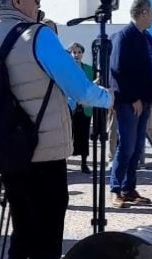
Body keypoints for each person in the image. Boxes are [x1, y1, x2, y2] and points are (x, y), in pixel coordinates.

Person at [0, 0, 113, 259]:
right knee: (45, 243)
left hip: (12, 151)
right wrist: (109, 97)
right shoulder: (38, 36)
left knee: (23, 237)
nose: (39, 2)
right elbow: (80, 88)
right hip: (43, 152)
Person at [108, 0, 152, 209]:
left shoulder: (146, 37)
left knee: (138, 147)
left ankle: (129, 188)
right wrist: (133, 98)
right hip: (128, 103)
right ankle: (115, 189)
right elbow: (118, 71)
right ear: (143, 12)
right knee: (127, 146)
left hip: (145, 102)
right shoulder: (124, 37)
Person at [67, 43, 94, 174]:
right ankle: (65, 162)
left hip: (85, 107)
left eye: (79, 52)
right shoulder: (66, 69)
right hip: (70, 106)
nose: (76, 55)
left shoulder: (89, 69)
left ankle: (84, 164)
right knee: (68, 135)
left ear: (82, 54)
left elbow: (91, 86)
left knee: (84, 135)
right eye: (74, 52)